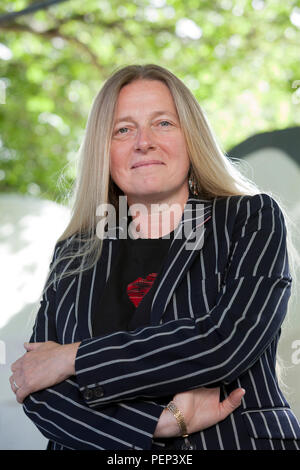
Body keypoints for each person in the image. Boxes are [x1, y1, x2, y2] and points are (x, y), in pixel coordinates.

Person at [10, 64, 300, 451]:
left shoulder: (251, 218)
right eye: (123, 129)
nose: (143, 142)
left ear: (190, 136)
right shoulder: (74, 250)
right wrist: (159, 423)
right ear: (104, 150)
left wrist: (73, 358)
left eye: (163, 123)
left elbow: (225, 340)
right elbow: (38, 388)